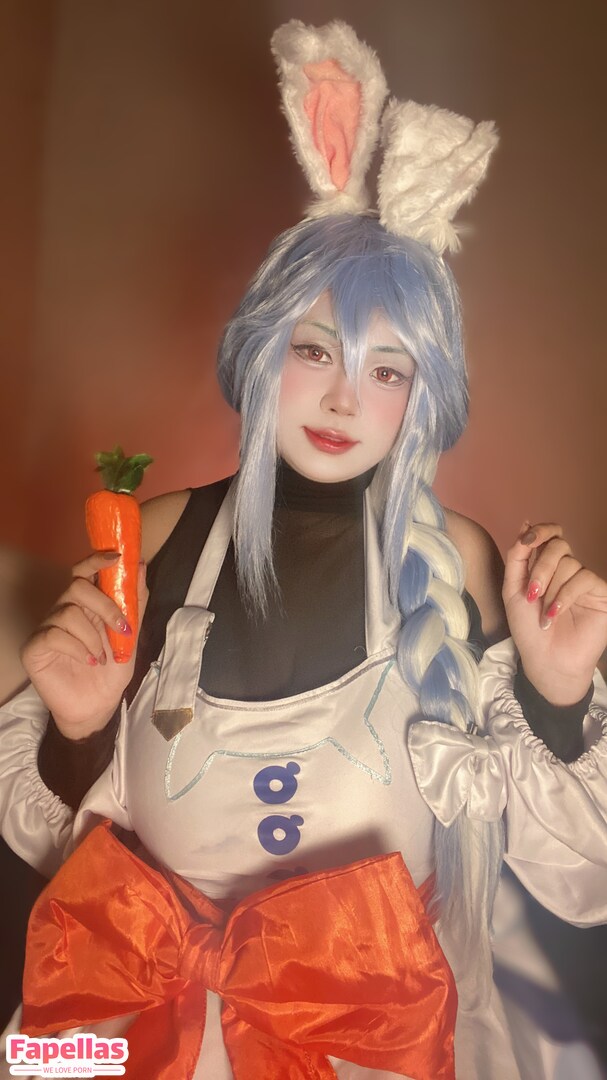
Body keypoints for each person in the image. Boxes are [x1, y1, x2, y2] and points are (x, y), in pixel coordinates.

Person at [2, 19, 607, 1080]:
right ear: (260, 350)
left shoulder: (460, 562)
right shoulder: (151, 538)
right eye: (315, 350)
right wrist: (78, 735)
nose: (342, 400)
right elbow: (54, 860)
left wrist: (557, 701)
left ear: (423, 396)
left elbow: (580, 883)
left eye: (387, 371)